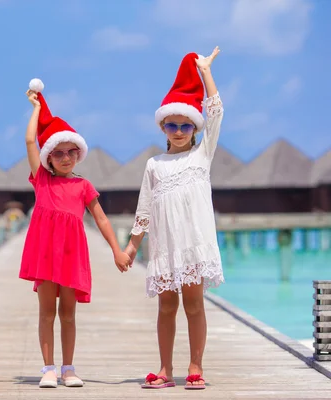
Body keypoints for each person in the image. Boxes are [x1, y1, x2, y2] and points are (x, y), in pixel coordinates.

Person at [19, 78, 131, 388]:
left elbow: (102, 219)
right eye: (58, 153)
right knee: (46, 313)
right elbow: (30, 141)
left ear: (78, 155)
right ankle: (48, 369)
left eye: (71, 152)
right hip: (45, 253)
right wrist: (37, 109)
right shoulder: (41, 180)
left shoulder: (82, 186)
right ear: (49, 157)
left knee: (68, 313)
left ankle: (68, 368)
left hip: (71, 255)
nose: (65, 157)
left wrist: (117, 250)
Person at [124, 47, 225, 390]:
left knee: (194, 304)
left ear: (194, 127)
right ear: (163, 127)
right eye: (172, 125)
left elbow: (216, 112)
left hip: (193, 247)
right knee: (167, 306)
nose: (178, 130)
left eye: (185, 124)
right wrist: (131, 247)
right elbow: (144, 210)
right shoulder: (155, 165)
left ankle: (195, 366)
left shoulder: (202, 155)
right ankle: (165, 369)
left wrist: (206, 72)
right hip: (165, 248)